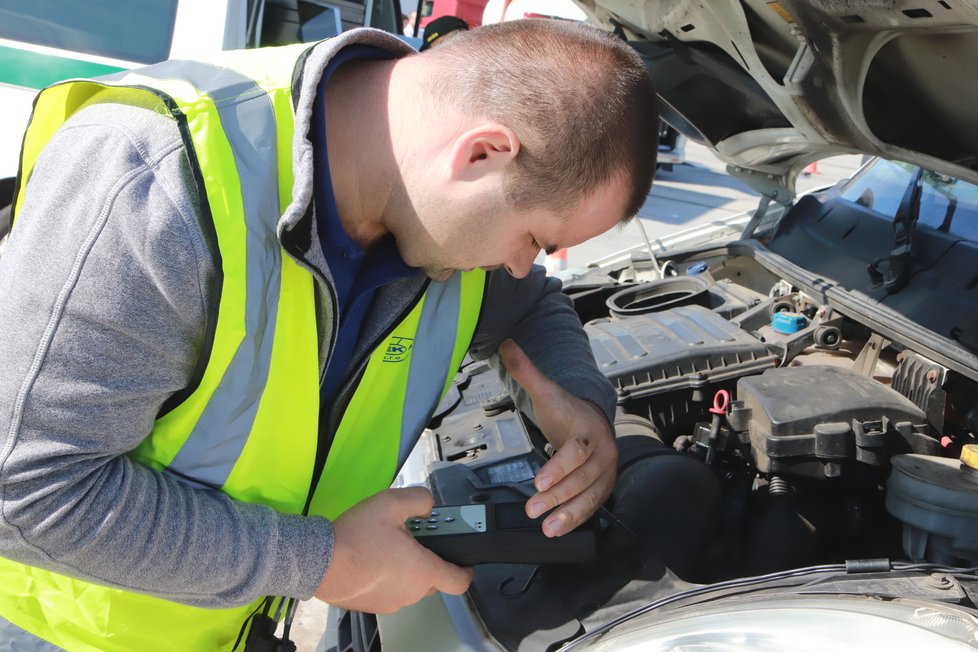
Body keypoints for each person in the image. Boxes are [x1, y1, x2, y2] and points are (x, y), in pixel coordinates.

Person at [0, 19, 658, 651]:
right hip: (60, 632)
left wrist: (576, 392)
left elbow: (530, 304)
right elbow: (26, 492)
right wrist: (321, 562)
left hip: (230, 624)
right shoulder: (157, 181)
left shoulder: (435, 213)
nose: (520, 265)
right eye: (534, 239)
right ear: (481, 153)